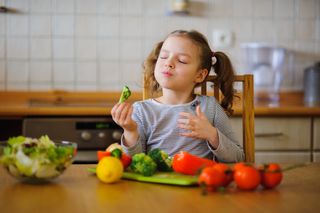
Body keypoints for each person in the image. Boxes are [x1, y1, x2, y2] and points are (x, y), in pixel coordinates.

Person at [111, 30, 244, 162]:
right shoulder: (141, 111)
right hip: (157, 183)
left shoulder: (210, 107)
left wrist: (212, 134)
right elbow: (134, 162)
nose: (168, 63)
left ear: (200, 75)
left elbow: (238, 158)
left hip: (201, 182)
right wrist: (130, 131)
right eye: (163, 57)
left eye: (182, 60)